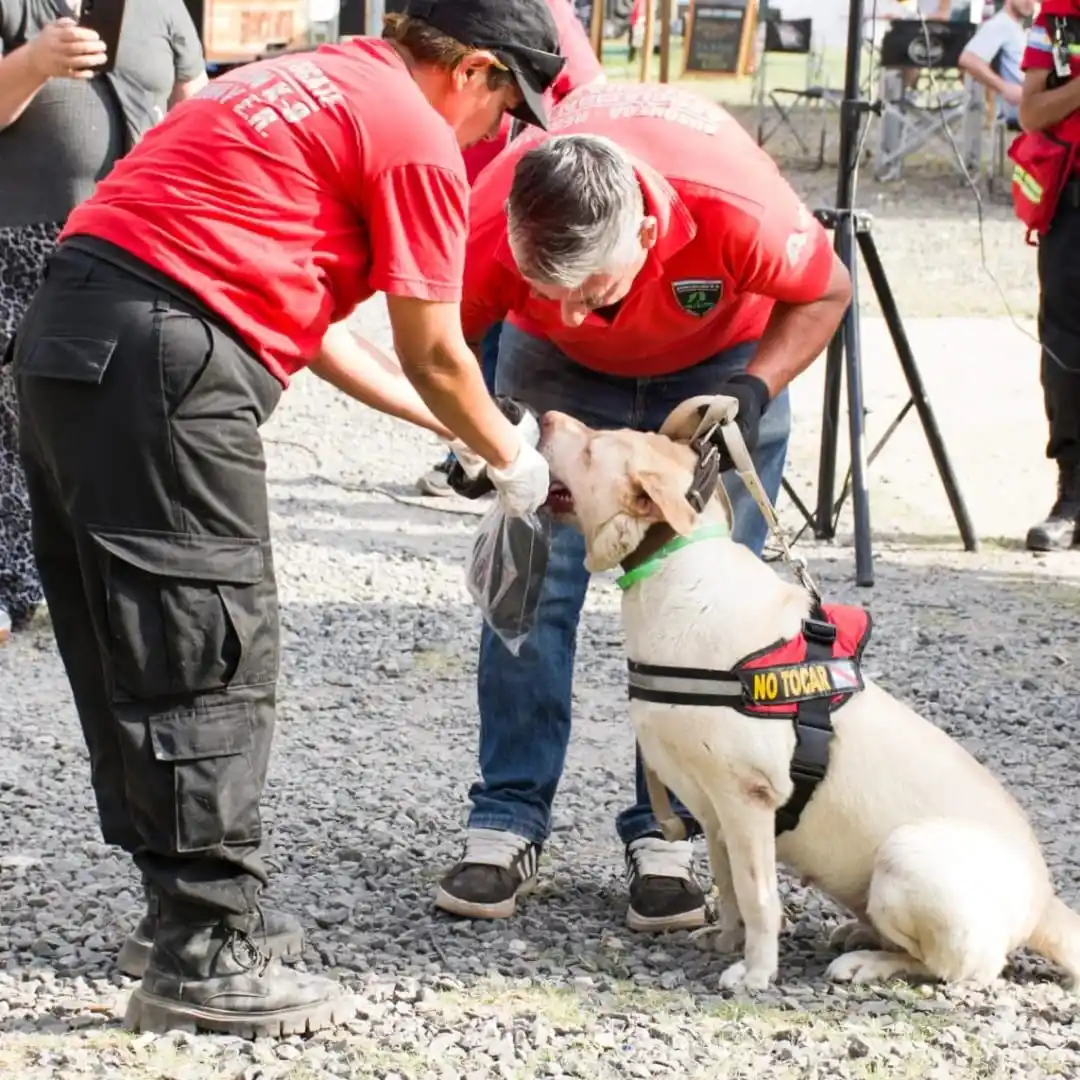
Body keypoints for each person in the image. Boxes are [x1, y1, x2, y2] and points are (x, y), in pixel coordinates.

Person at [9, 0, 561, 1036]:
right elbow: (443, 349)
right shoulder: (412, 136)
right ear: (474, 71)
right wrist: (514, 455)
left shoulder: (299, 79)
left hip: (70, 337)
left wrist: (448, 429)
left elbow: (304, 324)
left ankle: (178, 912)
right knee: (208, 646)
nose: (497, 137)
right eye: (506, 110)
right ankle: (205, 953)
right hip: (166, 359)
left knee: (123, 636)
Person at [433, 82, 852, 932]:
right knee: (529, 588)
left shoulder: (734, 205)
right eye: (545, 287)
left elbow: (828, 293)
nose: (573, 310)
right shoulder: (492, 224)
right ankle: (507, 815)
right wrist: (484, 433)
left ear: (651, 234)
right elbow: (444, 342)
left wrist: (752, 388)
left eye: (590, 289)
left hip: (716, 360)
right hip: (551, 375)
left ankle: (667, 832)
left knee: (703, 606)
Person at [0, 0, 207, 643]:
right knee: (12, 415)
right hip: (21, 234)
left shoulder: (164, 8)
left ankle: (114, 576)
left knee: (127, 403)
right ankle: (8, 579)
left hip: (133, 239)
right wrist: (35, 63)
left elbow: (198, 113)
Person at [415, 0, 603, 496]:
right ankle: (476, 443)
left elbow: (587, 95)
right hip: (454, 196)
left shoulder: (543, 11)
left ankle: (498, 445)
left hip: (510, 204)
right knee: (463, 326)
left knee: (500, 333)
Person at [1019, 1, 1080, 551]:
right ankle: (1073, 498)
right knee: (1066, 355)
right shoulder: (1058, 22)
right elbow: (1031, 113)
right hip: (1074, 209)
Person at [958, 0, 1035, 123]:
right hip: (1023, 116)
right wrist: (1004, 88)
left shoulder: (1019, 27)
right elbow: (969, 59)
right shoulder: (1001, 23)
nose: (1029, 2)